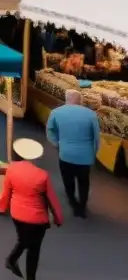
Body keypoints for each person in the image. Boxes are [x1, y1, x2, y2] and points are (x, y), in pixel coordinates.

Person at [0, 138, 63, 280]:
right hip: (37, 219)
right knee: (34, 248)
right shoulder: (42, 175)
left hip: (17, 214)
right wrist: (58, 218)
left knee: (23, 239)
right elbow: (52, 200)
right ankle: (28, 275)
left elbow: (6, 192)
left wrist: (1, 208)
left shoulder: (11, 169)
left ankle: (12, 260)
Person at [45, 88, 100, 217]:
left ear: (66, 99)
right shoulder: (91, 114)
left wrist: (56, 143)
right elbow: (96, 137)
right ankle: (82, 206)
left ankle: (72, 201)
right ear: (80, 100)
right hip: (85, 156)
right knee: (83, 181)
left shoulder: (56, 112)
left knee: (68, 179)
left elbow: (50, 130)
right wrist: (94, 152)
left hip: (65, 153)